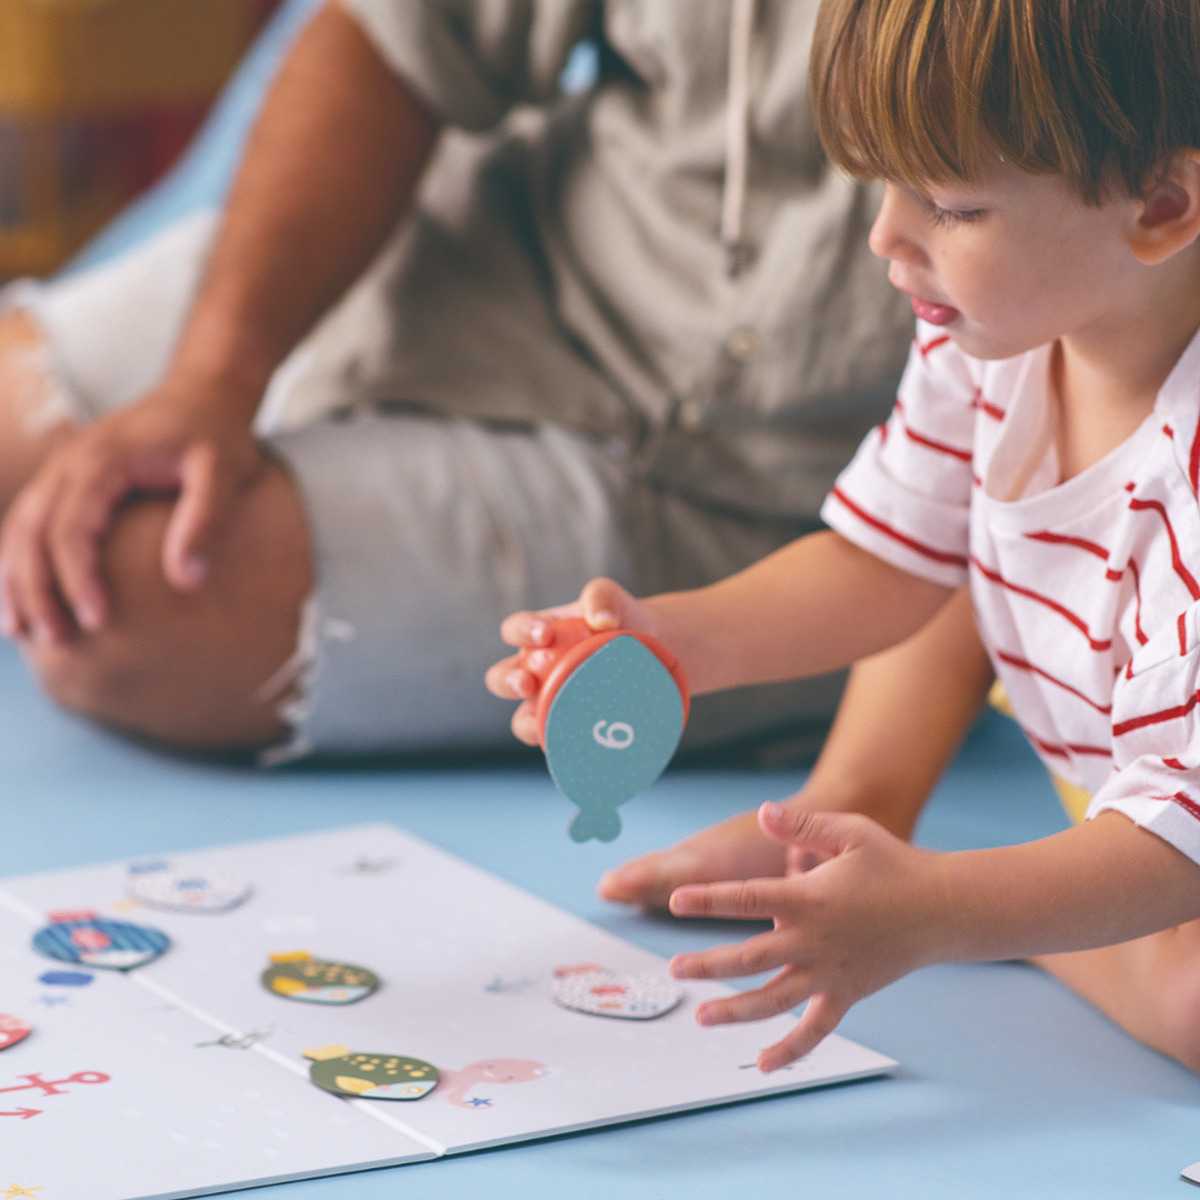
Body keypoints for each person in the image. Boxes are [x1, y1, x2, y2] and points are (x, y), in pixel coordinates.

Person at [488, 0, 1200, 1074]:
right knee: (967, 526)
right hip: (1135, 773)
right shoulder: (994, 337)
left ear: (1163, 205)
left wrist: (942, 910)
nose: (887, 239)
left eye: (949, 205)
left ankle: (1009, 920)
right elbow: (887, 559)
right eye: (881, 183)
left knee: (1193, 1009)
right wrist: (671, 642)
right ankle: (889, 840)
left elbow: (1181, 832)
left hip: (1174, 809)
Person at [0, 0, 923, 763]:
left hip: (748, 488)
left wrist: (862, 788)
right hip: (507, 241)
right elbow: (393, 31)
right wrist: (212, 380)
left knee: (113, 601)